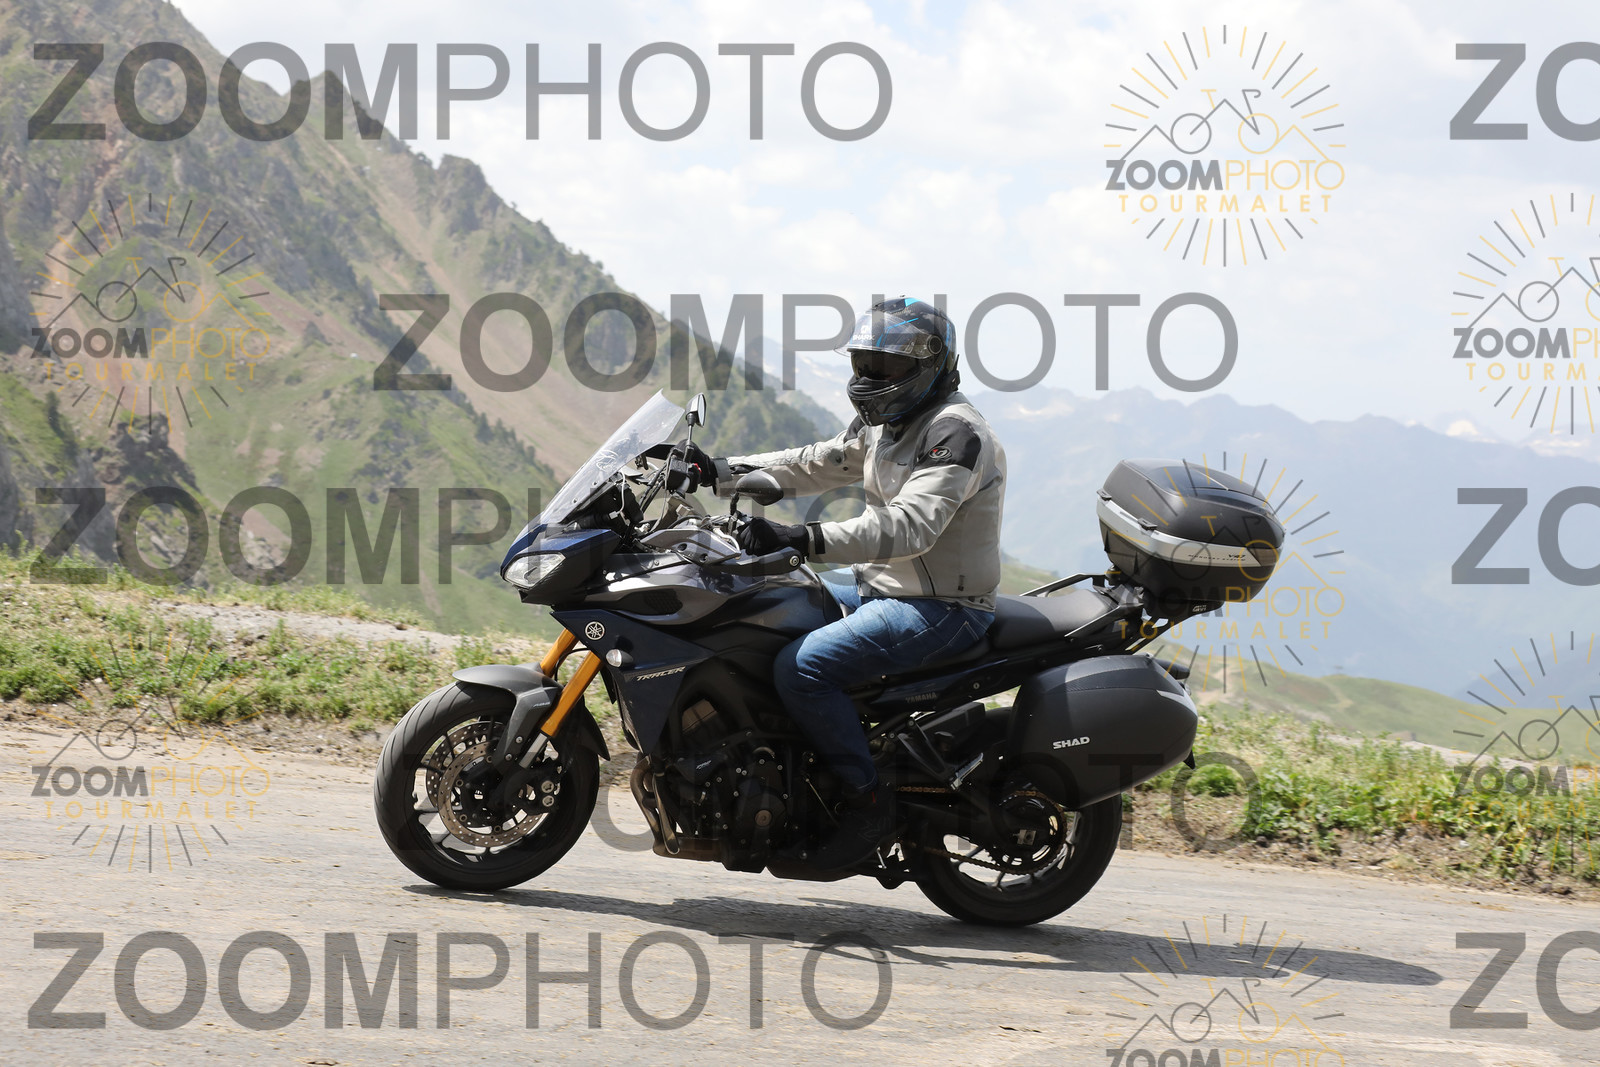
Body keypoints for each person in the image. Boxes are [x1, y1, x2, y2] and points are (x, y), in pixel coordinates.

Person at [679, 297, 1007, 869]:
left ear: (930, 365)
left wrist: (800, 538)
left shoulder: (955, 434)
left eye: (887, 366)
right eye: (864, 363)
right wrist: (719, 471)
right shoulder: (888, 422)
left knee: (802, 668)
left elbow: (910, 527)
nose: (870, 377)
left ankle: (867, 802)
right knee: (764, 603)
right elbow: (817, 461)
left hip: (941, 606)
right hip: (882, 585)